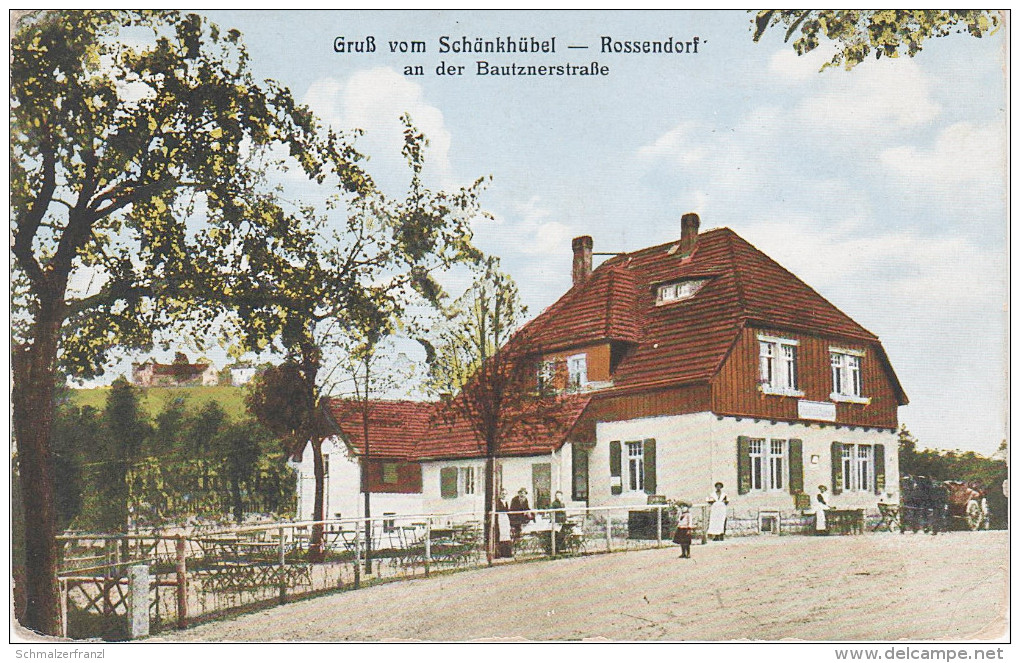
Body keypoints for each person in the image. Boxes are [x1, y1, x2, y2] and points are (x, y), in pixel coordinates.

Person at [494, 489, 513, 558]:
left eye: (505, 494)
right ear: (499, 495)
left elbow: (507, 510)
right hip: (500, 518)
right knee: (501, 535)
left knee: (506, 534)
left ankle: (507, 553)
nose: (504, 495)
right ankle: (500, 553)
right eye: (502, 494)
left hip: (505, 518)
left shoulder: (506, 502)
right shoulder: (498, 502)